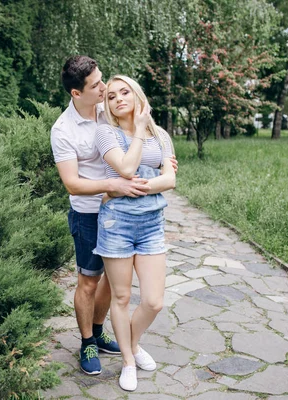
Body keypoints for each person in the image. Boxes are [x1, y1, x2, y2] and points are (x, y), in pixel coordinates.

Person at [50, 56, 153, 375]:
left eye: (102, 79)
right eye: (96, 85)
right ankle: (86, 342)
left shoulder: (109, 109)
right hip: (89, 216)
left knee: (113, 280)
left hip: (121, 210)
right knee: (89, 281)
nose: (105, 87)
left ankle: (98, 330)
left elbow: (141, 140)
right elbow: (72, 183)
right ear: (76, 93)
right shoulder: (63, 130)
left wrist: (161, 163)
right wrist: (112, 184)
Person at [93, 75, 176, 391]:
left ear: (137, 95)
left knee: (153, 301)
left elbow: (170, 180)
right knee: (123, 296)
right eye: (111, 96)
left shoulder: (161, 135)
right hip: (117, 225)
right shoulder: (106, 133)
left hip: (152, 223)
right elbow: (125, 169)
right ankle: (128, 360)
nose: (117, 99)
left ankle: (134, 342)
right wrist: (139, 131)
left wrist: (133, 189)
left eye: (124, 92)